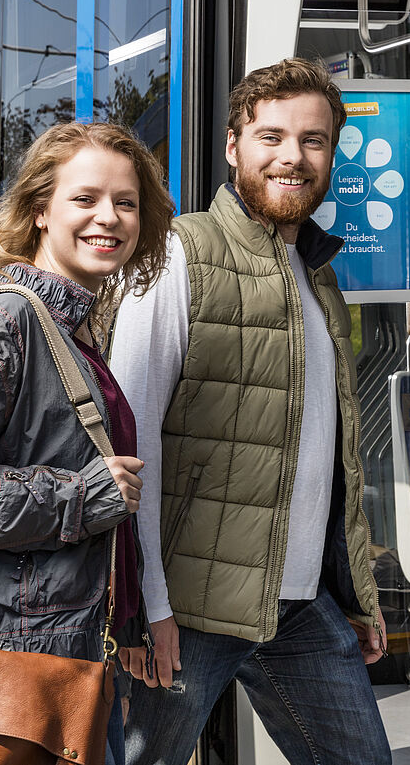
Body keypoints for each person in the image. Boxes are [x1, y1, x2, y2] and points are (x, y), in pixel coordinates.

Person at [110, 57, 389, 765]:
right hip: (193, 608)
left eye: (313, 140)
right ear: (234, 147)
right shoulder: (183, 253)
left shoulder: (319, 277)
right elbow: (127, 436)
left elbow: (333, 456)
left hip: (298, 605)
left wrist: (353, 591)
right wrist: (147, 607)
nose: (292, 156)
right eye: (271, 136)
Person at [0, 121, 174, 763]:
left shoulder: (67, 326)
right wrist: (85, 495)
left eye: (126, 203)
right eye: (85, 198)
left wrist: (125, 624)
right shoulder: (9, 319)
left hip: (67, 652)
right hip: (16, 662)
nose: (109, 216)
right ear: (40, 211)